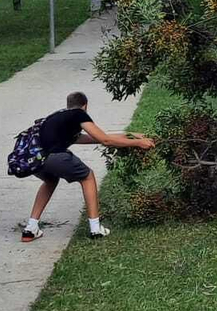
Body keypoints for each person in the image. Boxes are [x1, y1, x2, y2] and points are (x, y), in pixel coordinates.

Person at [22, 91, 155, 242]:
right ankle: (95, 228)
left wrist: (130, 135)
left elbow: (96, 138)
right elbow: (105, 140)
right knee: (87, 176)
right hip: (55, 157)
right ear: (85, 106)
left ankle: (30, 228)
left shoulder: (58, 118)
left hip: (35, 161)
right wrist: (138, 143)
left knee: (50, 181)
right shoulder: (79, 114)